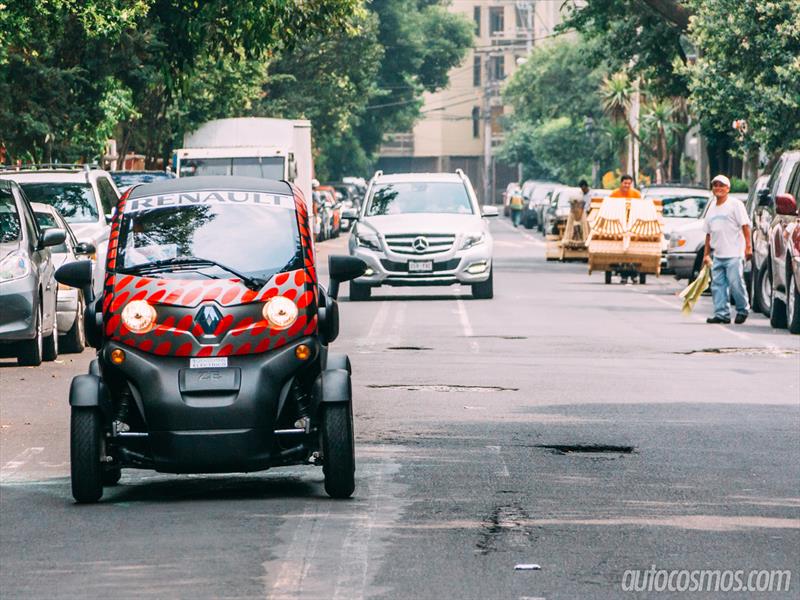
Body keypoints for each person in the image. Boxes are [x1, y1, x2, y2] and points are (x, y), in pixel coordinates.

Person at [702, 174, 752, 324]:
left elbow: (745, 226)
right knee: (718, 286)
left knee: (736, 283)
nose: (718, 188)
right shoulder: (711, 207)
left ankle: (743, 309)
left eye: (721, 185)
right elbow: (708, 234)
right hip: (718, 254)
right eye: (715, 185)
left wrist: (748, 247)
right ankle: (722, 314)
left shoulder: (735, 205)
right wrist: (706, 255)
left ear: (728, 188)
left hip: (734, 254)